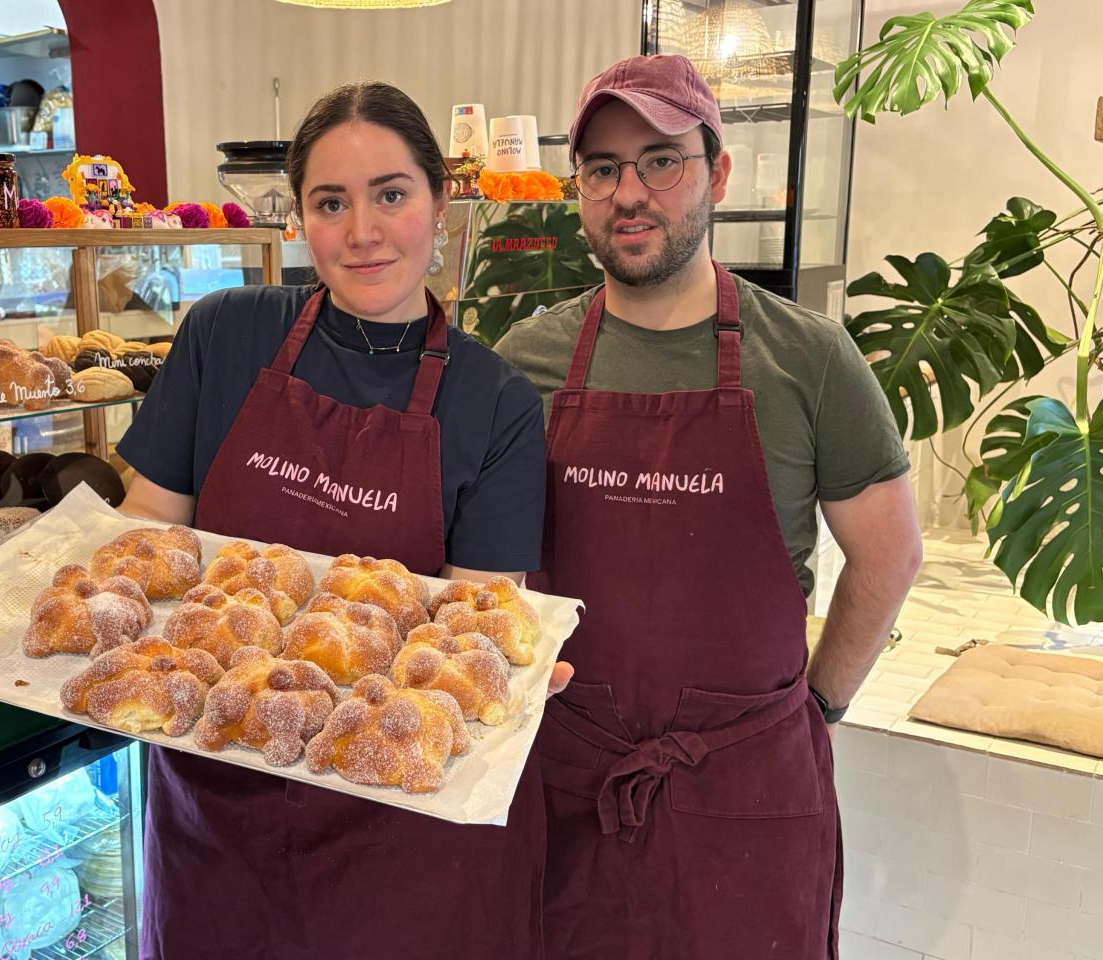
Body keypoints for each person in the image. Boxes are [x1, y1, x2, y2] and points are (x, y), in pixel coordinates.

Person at [114, 81, 561, 959]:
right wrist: (28, 578)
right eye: (331, 202)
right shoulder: (224, 335)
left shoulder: (495, 401)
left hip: (395, 821)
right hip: (218, 791)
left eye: (391, 194)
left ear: (440, 202)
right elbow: (146, 539)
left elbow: (466, 641)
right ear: (300, 219)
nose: (362, 231)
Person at [496, 55, 923, 959]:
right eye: (603, 169)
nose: (629, 193)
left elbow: (889, 556)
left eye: (662, 160)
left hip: (747, 798)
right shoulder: (527, 360)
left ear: (718, 172)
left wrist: (818, 707)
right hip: (571, 792)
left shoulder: (808, 359)